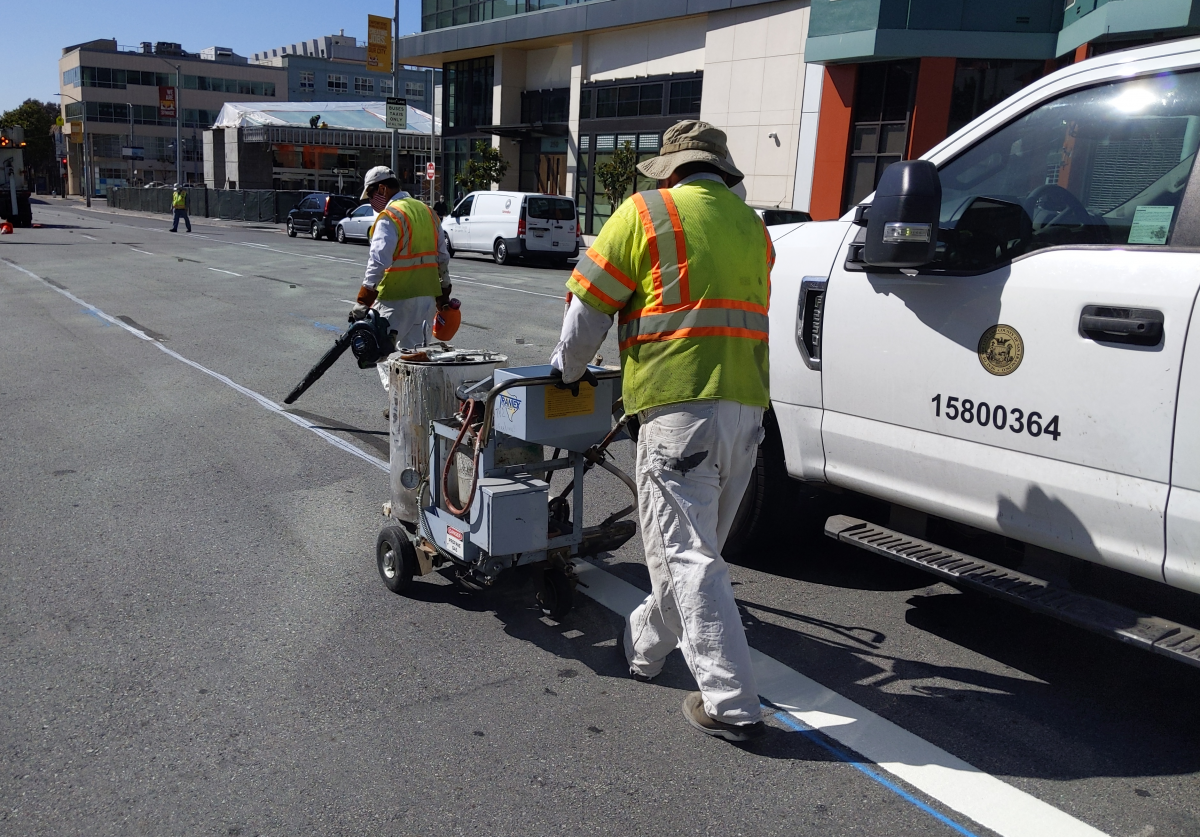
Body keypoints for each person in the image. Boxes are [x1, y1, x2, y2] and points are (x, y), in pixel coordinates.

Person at [549, 121, 774, 742]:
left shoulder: (644, 214)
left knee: (688, 556)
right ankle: (645, 647)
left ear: (669, 170)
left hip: (678, 410)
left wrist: (565, 374)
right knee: (696, 552)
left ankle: (731, 702)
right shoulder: (754, 227)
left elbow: (587, 313)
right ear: (721, 172)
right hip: (748, 412)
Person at [350, 165, 452, 391]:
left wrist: (363, 300)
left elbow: (378, 261)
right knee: (414, 357)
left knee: (378, 351)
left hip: (395, 298)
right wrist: (443, 293)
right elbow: (442, 257)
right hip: (426, 298)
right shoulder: (429, 212)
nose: (371, 202)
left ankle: (397, 401)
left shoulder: (390, 216)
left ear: (383, 189)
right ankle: (413, 406)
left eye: (372, 195)